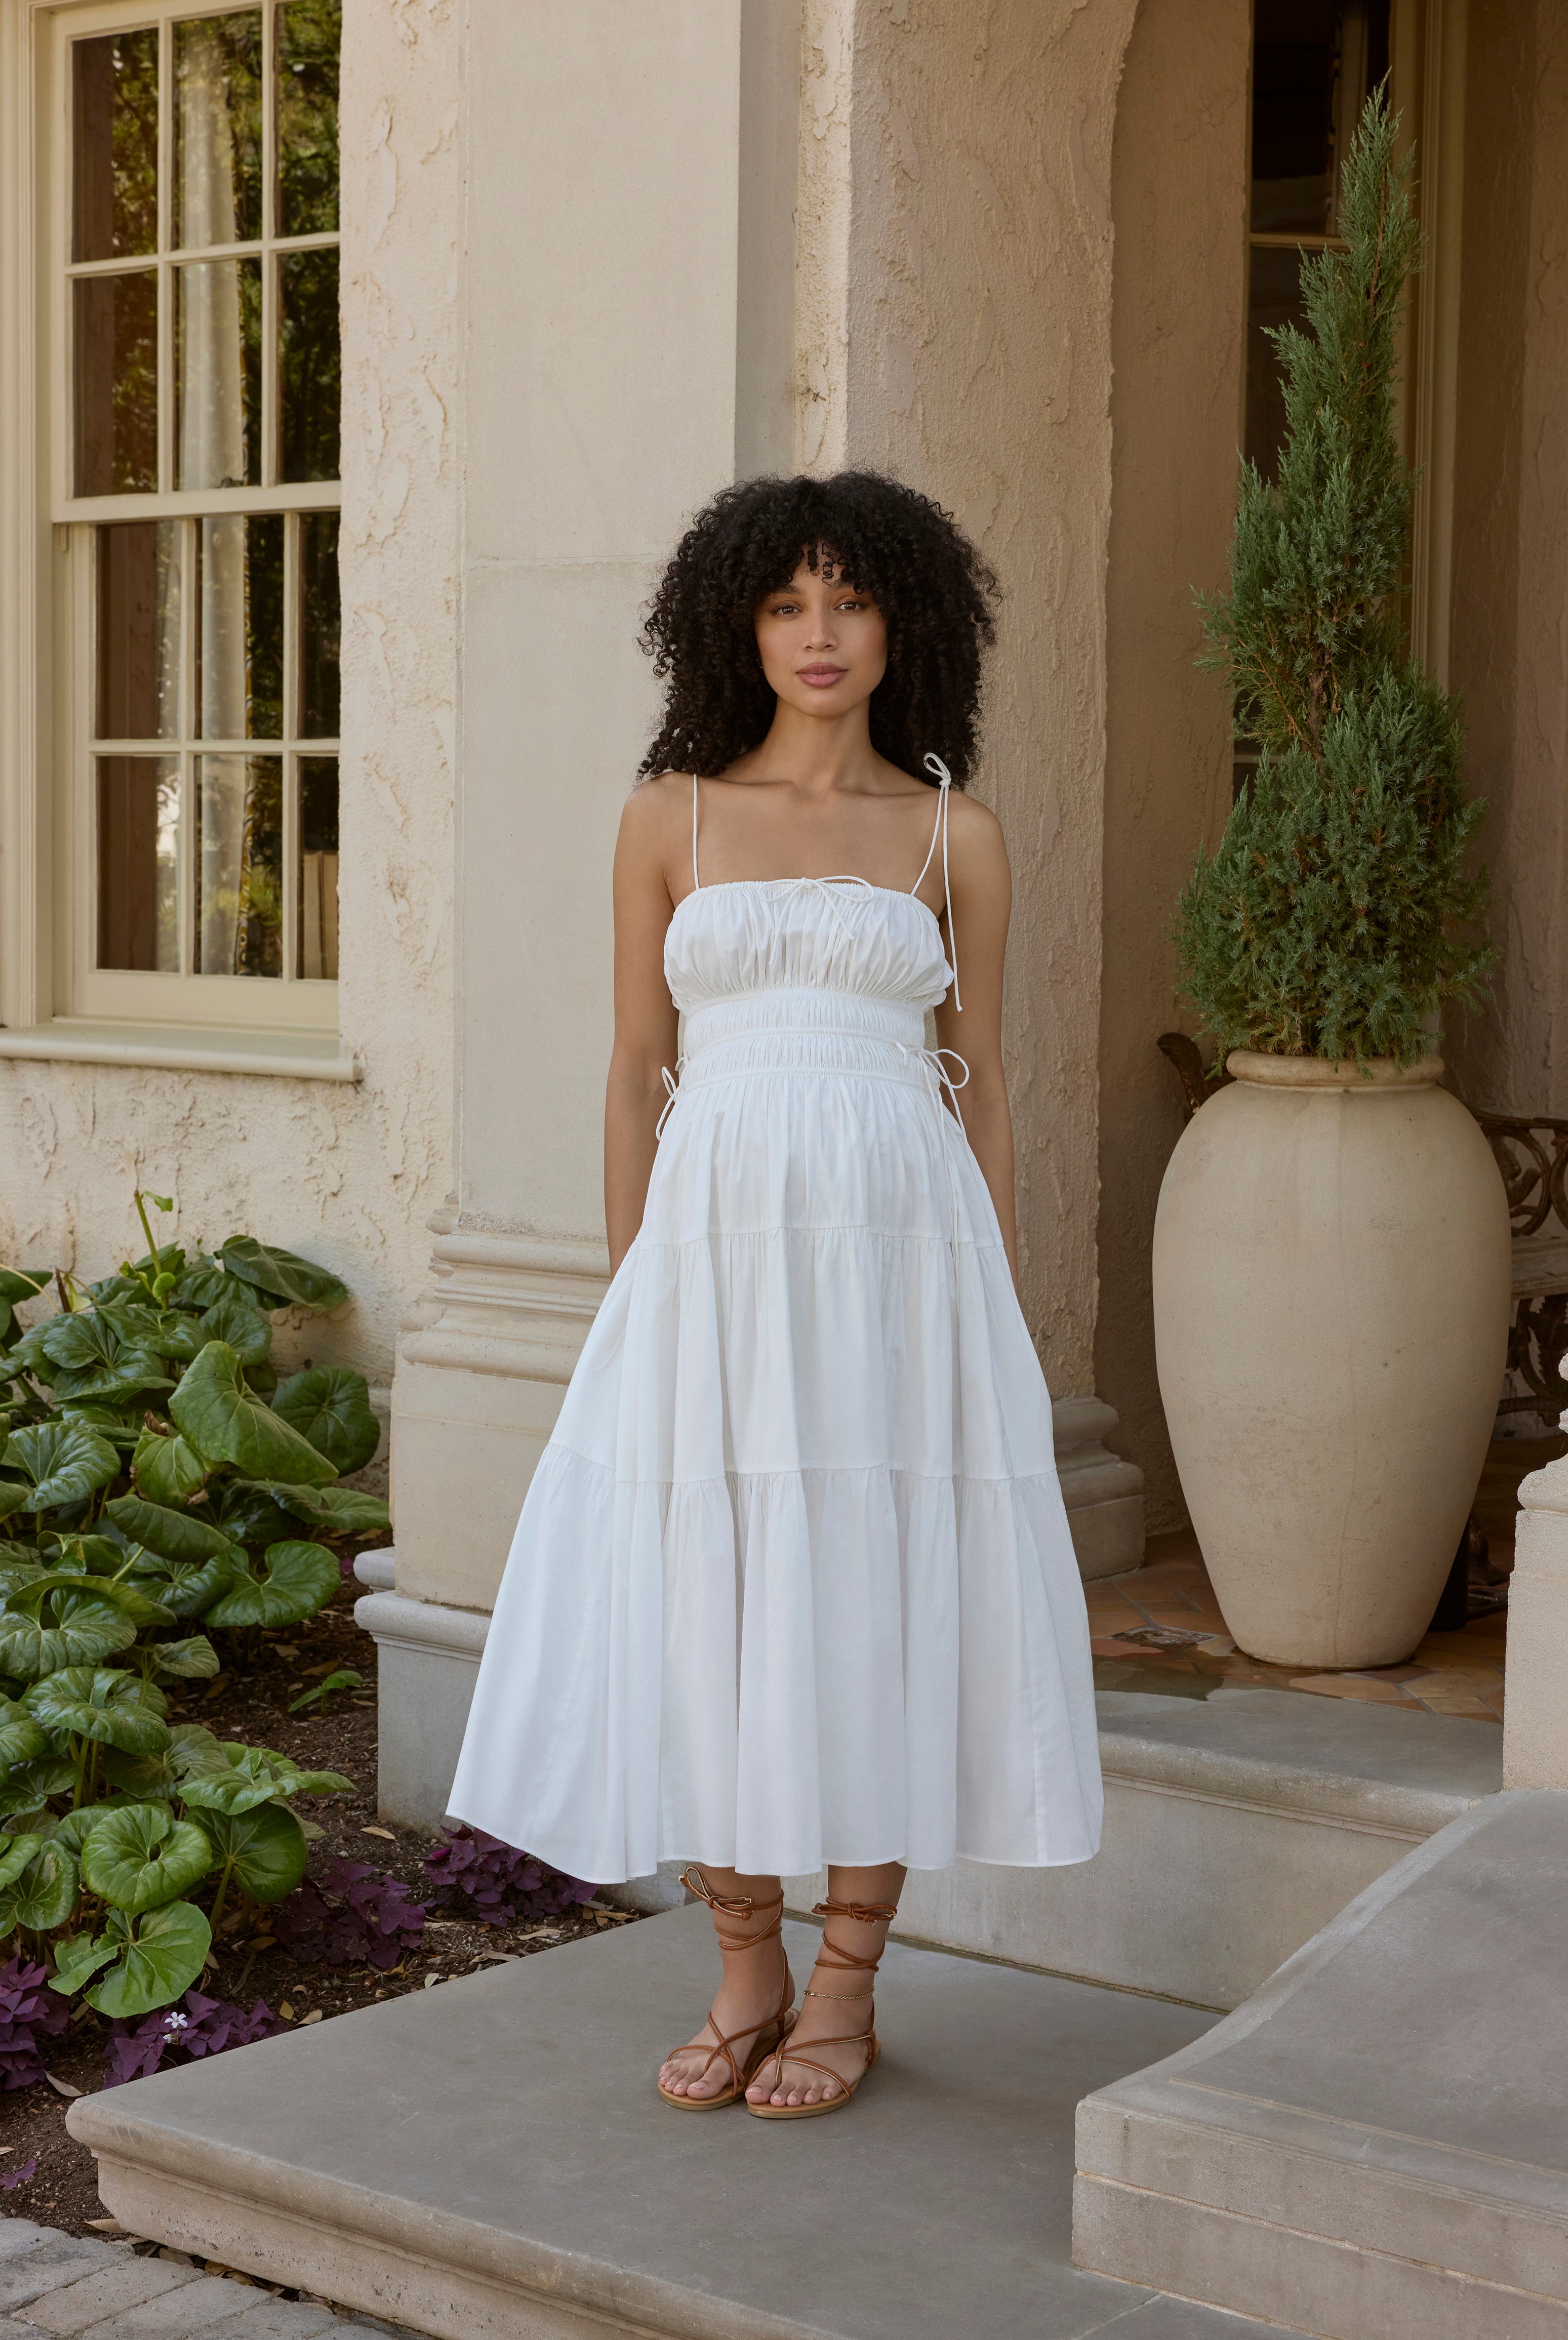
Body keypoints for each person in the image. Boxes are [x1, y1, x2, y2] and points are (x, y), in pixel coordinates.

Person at [448, 471, 1102, 2119]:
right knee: (717, 1595)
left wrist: (995, 1314)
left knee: (876, 1593)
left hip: (902, 1272)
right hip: (715, 1264)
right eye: (786, 604)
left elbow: (985, 1083)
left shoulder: (959, 834)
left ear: (905, 626)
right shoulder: (665, 816)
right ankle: (743, 1968)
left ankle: (844, 1991)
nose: (820, 637)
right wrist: (630, 1291)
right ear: (738, 625)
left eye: (852, 602)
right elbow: (631, 1074)